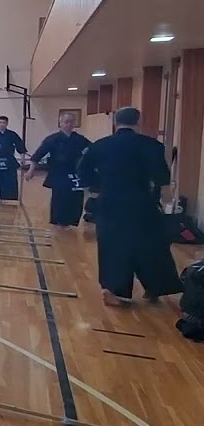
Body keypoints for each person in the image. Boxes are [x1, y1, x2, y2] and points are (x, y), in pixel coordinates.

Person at [76, 106, 183, 307]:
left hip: (110, 203)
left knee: (113, 247)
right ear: (137, 122)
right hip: (141, 203)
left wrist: (96, 189)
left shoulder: (100, 145)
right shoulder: (152, 145)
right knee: (151, 246)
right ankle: (154, 288)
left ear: (116, 122)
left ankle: (115, 291)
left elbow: (82, 170)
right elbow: (162, 177)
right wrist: (168, 201)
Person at [25, 112, 91, 226]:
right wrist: (31, 170)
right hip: (59, 172)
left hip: (76, 173)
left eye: (71, 122)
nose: (69, 124)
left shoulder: (80, 139)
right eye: (66, 122)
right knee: (60, 197)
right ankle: (58, 221)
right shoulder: (52, 139)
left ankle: (73, 221)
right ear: (60, 123)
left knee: (76, 197)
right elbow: (38, 155)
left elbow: (91, 151)